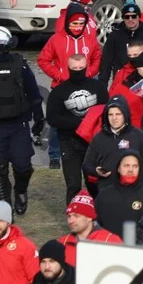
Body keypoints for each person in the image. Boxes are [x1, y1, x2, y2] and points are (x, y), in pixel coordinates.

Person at [0, 26, 43, 215]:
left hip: (18, 124)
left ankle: (20, 191)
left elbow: (33, 93)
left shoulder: (20, 64)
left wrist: (39, 117)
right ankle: (4, 207)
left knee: (23, 166)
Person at [46, 53, 107, 200]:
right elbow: (52, 118)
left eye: (81, 67)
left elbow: (106, 112)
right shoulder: (59, 92)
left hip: (93, 142)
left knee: (94, 182)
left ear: (86, 67)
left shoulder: (98, 87)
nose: (78, 70)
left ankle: (99, 215)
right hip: (69, 142)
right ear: (68, 68)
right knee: (73, 184)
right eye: (74, 68)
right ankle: (73, 216)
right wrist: (79, 123)